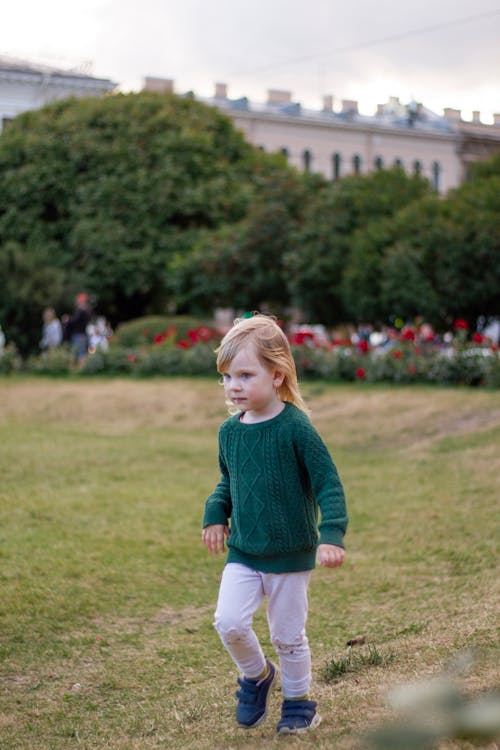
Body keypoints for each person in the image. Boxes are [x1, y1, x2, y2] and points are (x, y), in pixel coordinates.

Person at [202, 314, 348, 735]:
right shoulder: (229, 432)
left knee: (288, 637)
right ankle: (257, 675)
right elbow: (229, 481)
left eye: (245, 375)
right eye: (227, 376)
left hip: (290, 554)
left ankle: (300, 702)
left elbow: (328, 484)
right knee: (228, 621)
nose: (234, 386)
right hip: (244, 551)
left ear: (278, 374)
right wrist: (216, 512)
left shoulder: (296, 428)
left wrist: (332, 534)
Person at [64, 293, 92, 362]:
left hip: (79, 335)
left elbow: (74, 321)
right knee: (81, 353)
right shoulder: (87, 312)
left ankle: (81, 370)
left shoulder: (81, 312)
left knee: (80, 354)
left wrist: (68, 319)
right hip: (82, 335)